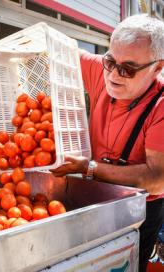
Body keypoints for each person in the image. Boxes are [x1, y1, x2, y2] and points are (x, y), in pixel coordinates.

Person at [51, 14, 164, 272]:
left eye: (128, 68)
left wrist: (89, 168)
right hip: (91, 198)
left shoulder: (161, 106)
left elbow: (157, 178)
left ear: (157, 68)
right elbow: (59, 49)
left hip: (139, 212)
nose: (114, 74)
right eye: (110, 61)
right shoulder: (100, 70)